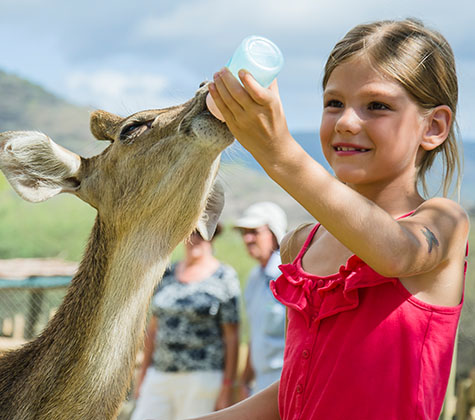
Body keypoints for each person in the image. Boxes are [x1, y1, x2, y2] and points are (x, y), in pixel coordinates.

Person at [187, 18, 470, 420]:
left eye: (377, 106)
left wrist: (280, 154)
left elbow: (395, 253)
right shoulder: (300, 244)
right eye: (334, 103)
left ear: (434, 126)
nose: (346, 122)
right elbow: (297, 389)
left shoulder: (444, 222)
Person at [131, 226, 240, 420]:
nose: (194, 239)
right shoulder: (167, 273)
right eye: (190, 233)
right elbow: (154, 328)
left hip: (203, 378)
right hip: (161, 373)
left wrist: (227, 387)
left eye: (201, 234)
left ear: (212, 237)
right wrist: (143, 375)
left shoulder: (224, 276)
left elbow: (231, 336)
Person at [233, 202, 288, 397]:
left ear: (274, 234)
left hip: (286, 381)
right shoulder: (254, 279)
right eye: (243, 232)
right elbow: (255, 335)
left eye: (254, 231)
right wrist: (245, 380)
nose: (247, 238)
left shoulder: (289, 278)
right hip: (260, 385)